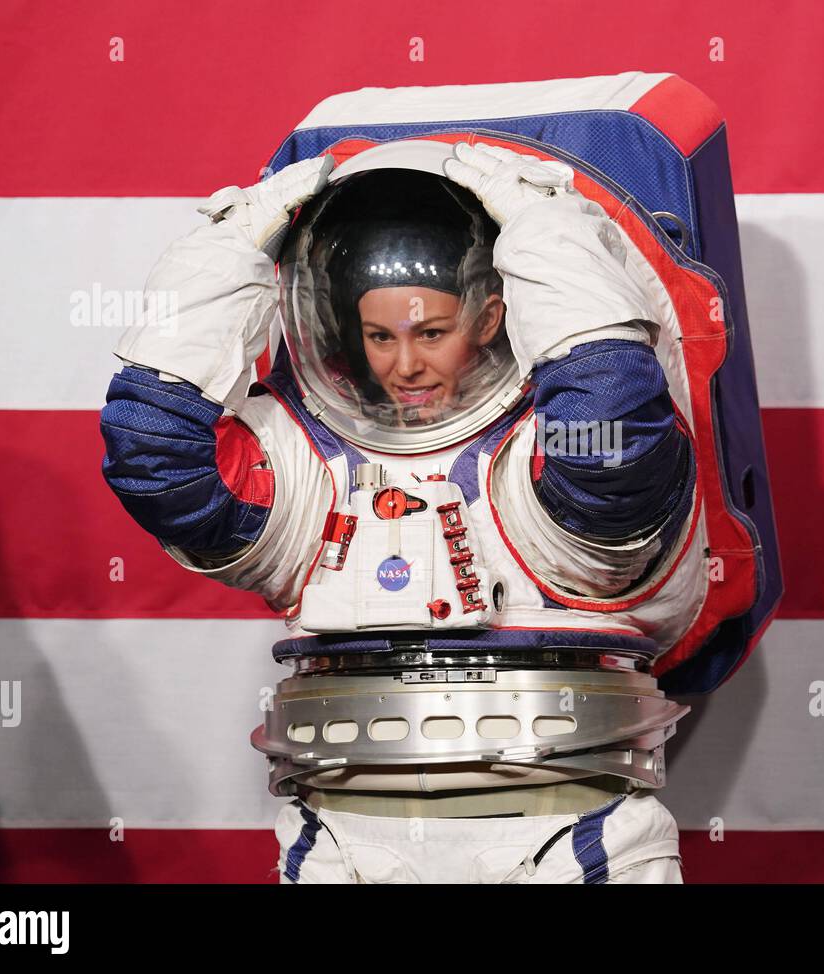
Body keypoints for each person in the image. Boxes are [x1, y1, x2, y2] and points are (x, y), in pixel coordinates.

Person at [99, 140, 701, 883]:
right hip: (349, 832)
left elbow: (613, 431)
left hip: (566, 828)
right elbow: (152, 452)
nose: (405, 365)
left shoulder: (540, 453)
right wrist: (224, 253)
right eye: (380, 336)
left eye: (431, 332)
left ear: (488, 318)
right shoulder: (302, 469)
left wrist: (546, 231)